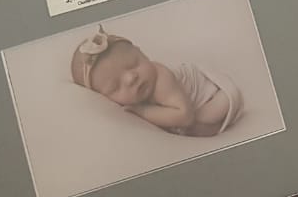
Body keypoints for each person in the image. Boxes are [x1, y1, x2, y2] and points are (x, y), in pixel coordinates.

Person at [70, 25, 242, 137]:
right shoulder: (137, 89)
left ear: (142, 53)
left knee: (211, 113)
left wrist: (144, 111)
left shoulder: (160, 78)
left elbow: (184, 116)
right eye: (115, 86)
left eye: (134, 63)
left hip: (212, 96)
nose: (131, 78)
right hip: (185, 109)